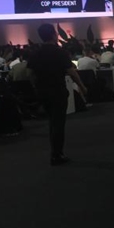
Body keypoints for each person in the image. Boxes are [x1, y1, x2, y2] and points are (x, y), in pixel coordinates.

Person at [27, 23, 88, 165]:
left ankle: (55, 151)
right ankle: (57, 154)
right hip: (58, 91)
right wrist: (82, 86)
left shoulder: (36, 53)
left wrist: (36, 86)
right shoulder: (59, 52)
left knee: (52, 122)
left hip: (43, 91)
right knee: (58, 123)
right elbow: (71, 72)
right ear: (54, 34)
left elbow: (29, 73)